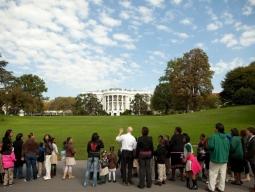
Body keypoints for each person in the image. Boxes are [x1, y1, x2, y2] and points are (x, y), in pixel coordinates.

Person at [206, 123, 230, 192]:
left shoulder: (214, 136)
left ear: (217, 129)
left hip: (216, 158)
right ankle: (221, 187)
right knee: (222, 174)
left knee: (213, 173)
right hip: (224, 158)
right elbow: (228, 147)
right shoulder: (226, 138)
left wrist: (208, 145)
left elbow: (210, 146)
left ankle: (211, 187)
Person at [246, 127, 255, 192]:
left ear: (251, 132)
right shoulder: (251, 139)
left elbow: (252, 150)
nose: (247, 132)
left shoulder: (253, 140)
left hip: (253, 159)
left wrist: (248, 157)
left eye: (248, 131)